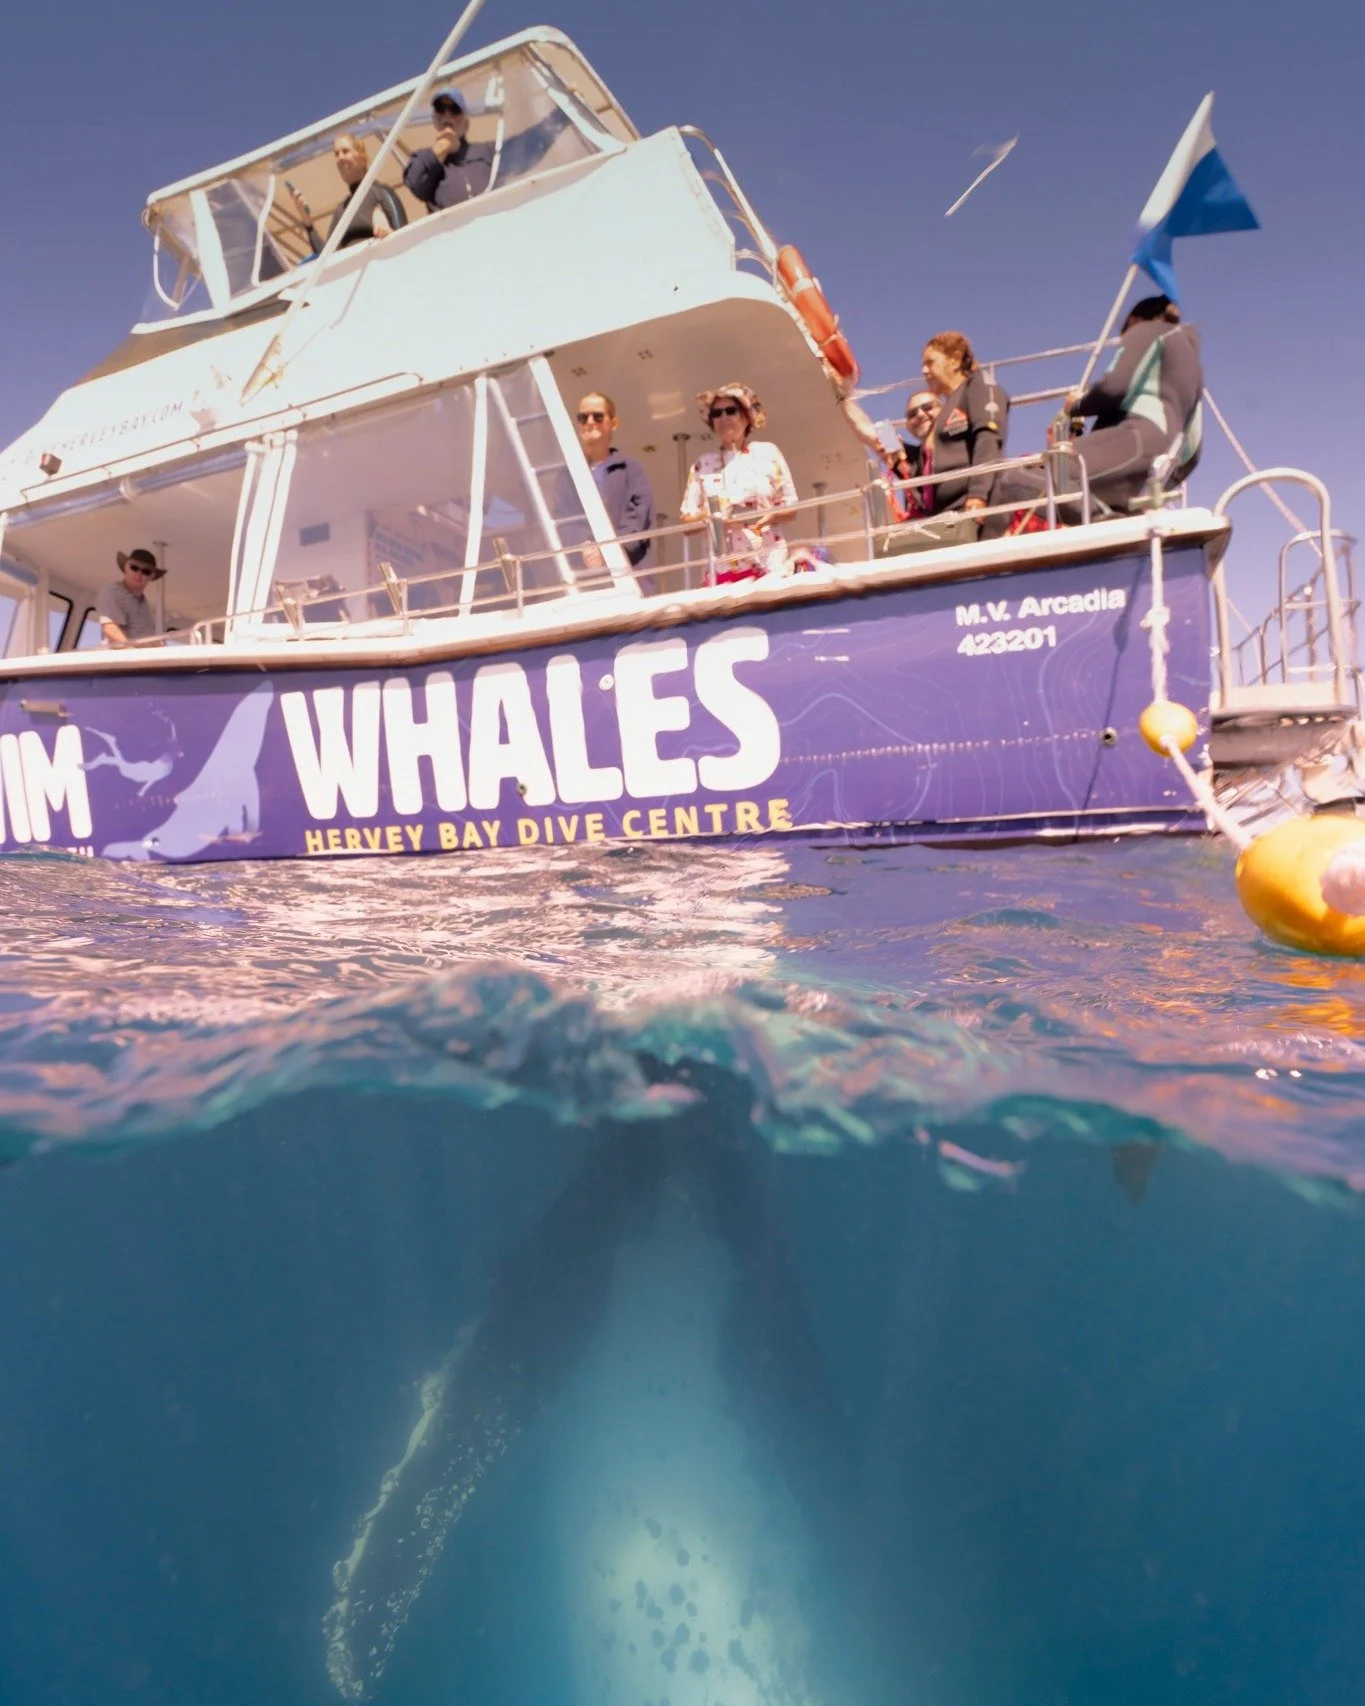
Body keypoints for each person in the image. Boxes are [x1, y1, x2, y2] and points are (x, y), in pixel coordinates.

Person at [984, 296, 1204, 536]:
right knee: (1095, 496)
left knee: (1019, 475)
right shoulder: (1190, 363)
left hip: (1140, 438)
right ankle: (1116, 527)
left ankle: (1105, 526)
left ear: (1133, 320)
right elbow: (1194, 442)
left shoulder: (1146, 330)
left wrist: (1076, 405)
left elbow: (1114, 386)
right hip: (1165, 459)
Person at [680, 383, 798, 583]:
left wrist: (767, 516)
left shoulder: (768, 453)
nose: (723, 418)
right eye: (716, 413)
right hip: (721, 571)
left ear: (745, 417)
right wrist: (714, 516)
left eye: (730, 411)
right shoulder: (702, 464)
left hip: (769, 565)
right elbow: (687, 521)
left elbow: (792, 506)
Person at [917, 331, 1010, 537]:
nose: (924, 370)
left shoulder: (978, 385)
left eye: (930, 362)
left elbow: (988, 438)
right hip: (948, 519)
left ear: (955, 359)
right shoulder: (948, 407)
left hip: (975, 515)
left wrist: (978, 494)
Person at [574, 393, 656, 585]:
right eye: (583, 417)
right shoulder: (567, 477)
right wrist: (584, 550)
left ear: (614, 423)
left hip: (630, 578)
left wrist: (607, 553)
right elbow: (564, 522)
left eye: (598, 416)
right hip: (584, 583)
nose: (590, 422)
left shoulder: (632, 470)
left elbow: (638, 520)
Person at [290, 134, 406, 252]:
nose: (340, 158)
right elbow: (325, 256)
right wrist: (307, 222)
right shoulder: (341, 210)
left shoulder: (381, 194)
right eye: (336, 154)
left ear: (362, 158)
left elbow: (405, 237)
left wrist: (387, 235)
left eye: (345, 151)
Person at [403, 90, 495, 213]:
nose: (447, 115)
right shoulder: (422, 159)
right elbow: (415, 183)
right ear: (435, 120)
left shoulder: (488, 150)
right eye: (440, 109)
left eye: (455, 109)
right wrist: (440, 149)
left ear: (466, 123)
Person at [96, 549, 163, 646]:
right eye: (134, 567)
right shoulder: (112, 590)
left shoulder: (143, 602)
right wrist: (133, 653)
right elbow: (110, 628)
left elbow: (148, 635)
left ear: (151, 577)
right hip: (121, 657)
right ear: (125, 568)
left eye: (146, 571)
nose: (139, 574)